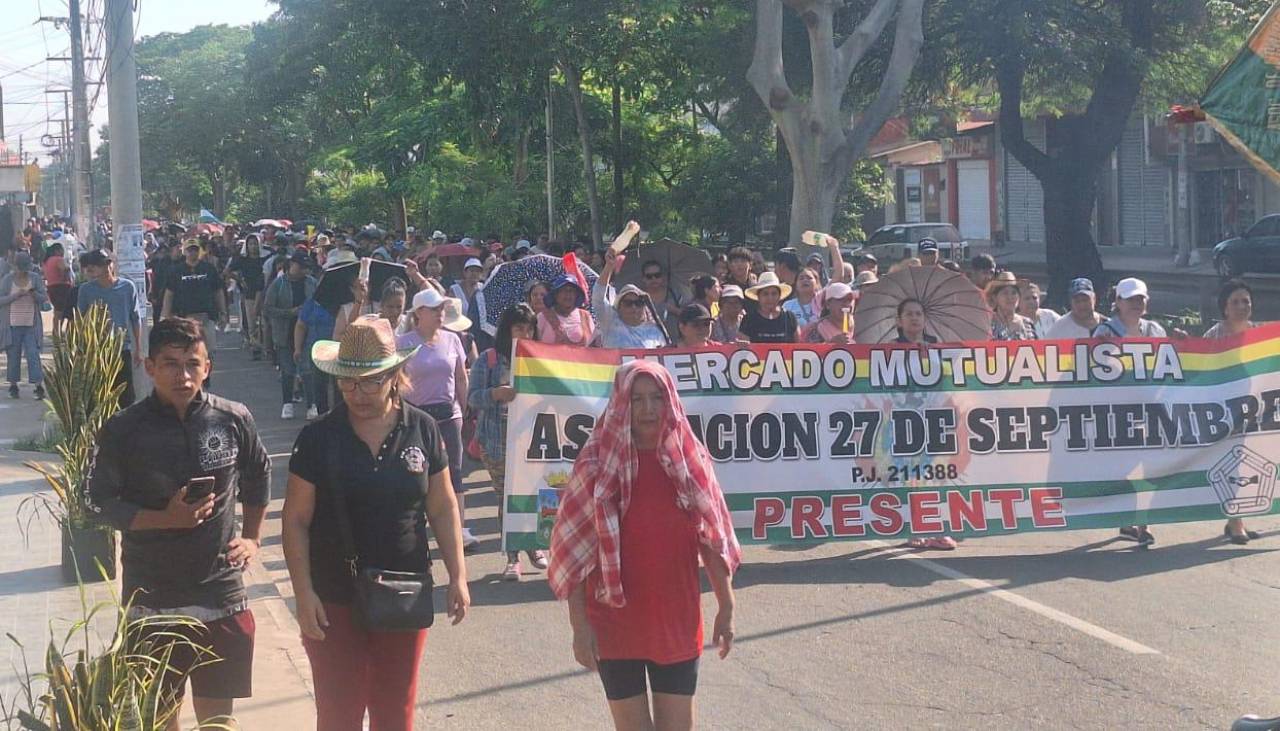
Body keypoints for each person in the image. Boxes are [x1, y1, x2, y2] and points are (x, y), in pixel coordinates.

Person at [283, 315, 469, 730]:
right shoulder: (318, 437)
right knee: (338, 713)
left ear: (394, 375)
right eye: (347, 382)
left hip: (403, 591)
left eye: (369, 381)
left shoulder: (421, 426)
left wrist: (458, 574)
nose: (358, 393)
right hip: (333, 596)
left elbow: (442, 506)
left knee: (394, 712)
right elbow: (295, 520)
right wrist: (303, 592)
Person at [87, 317, 271, 731]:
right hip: (153, 600)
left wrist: (253, 538)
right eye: (170, 364)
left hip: (221, 596)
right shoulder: (123, 430)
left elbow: (259, 476)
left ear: (208, 367)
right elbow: (95, 502)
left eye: (192, 363)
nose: (182, 375)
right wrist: (162, 519)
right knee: (159, 718)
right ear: (149, 366)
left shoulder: (233, 418)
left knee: (217, 723)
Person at [549, 360, 740, 731]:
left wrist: (727, 606)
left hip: (676, 621)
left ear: (670, 401)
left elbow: (711, 540)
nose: (649, 409)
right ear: (621, 404)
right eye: (637, 399)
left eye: (657, 398)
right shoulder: (595, 463)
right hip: (613, 623)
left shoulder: (690, 460)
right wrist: (579, 626)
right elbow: (576, 557)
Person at [469, 304, 546, 580]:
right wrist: (496, 394)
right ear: (507, 330)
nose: (524, 334)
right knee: (506, 500)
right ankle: (513, 558)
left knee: (537, 497)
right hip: (497, 444)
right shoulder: (488, 360)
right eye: (518, 329)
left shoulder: (541, 360)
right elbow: (472, 397)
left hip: (534, 443)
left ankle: (536, 548)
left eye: (529, 329)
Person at [397, 289, 478, 551]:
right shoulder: (404, 342)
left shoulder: (453, 339)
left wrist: (464, 410)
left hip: (448, 414)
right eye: (434, 310)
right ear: (418, 313)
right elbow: (396, 381)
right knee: (416, 473)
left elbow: (461, 377)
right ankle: (415, 528)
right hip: (415, 416)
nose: (440, 314)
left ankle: (459, 528)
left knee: (454, 471)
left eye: (442, 309)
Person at [1092, 277, 1165, 547]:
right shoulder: (1104, 331)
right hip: (1118, 412)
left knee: (1149, 469)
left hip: (1151, 410)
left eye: (1141, 298)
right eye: (1131, 299)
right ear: (1118, 302)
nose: (1137, 303)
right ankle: (1126, 520)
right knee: (1123, 469)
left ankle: (1142, 524)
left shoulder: (1155, 330)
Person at [1203, 280, 1262, 544]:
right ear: (1225, 308)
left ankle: (1236, 520)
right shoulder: (1214, 336)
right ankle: (1236, 522)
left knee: (1252, 464)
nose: (1242, 306)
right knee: (1234, 466)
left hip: (1259, 411)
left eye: (1246, 301)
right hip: (1225, 412)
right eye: (1235, 302)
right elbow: (1200, 373)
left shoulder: (1262, 335)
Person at [893, 299, 953, 550]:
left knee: (939, 475)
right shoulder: (889, 350)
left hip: (934, 418)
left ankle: (939, 528)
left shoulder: (936, 346)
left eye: (919, 314)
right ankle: (915, 528)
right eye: (909, 314)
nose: (915, 318)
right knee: (912, 478)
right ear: (899, 320)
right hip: (904, 419)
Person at [77, 250, 144, 409]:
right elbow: (80, 321)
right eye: (101, 265)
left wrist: (139, 348)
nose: (106, 267)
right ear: (93, 268)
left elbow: (135, 319)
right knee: (100, 397)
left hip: (122, 348)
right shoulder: (86, 290)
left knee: (126, 396)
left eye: (108, 263)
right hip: (97, 351)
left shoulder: (128, 287)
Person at [264, 253, 318, 419]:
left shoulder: (311, 282)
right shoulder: (278, 284)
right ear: (291, 265)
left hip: (307, 331)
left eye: (305, 268)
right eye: (300, 266)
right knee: (287, 370)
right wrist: (290, 312)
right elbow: (268, 308)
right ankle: (287, 403)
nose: (303, 271)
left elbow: (319, 302)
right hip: (284, 332)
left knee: (307, 369)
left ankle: (311, 405)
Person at [594, 249, 669, 349]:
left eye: (638, 303)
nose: (634, 307)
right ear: (619, 307)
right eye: (628, 303)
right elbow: (598, 296)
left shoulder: (655, 331)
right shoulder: (610, 323)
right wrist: (609, 266)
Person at [162, 241, 228, 351]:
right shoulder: (176, 271)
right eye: (189, 250)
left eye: (195, 249)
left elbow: (218, 291)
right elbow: (169, 294)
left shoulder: (208, 268)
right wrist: (166, 316)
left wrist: (223, 312)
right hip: (184, 317)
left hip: (206, 316)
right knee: (188, 350)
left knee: (208, 351)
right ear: (184, 252)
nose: (193, 252)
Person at [0, 251, 48, 399]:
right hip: (12, 325)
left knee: (33, 355)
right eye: (20, 269)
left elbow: (43, 297)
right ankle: (13, 386)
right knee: (13, 356)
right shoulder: (8, 280)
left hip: (31, 324)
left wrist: (34, 294)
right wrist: (15, 296)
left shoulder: (35, 278)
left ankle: (38, 386)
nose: (22, 272)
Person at [294, 290, 337, 421]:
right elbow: (301, 325)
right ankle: (322, 415)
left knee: (337, 386)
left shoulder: (341, 302)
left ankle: (338, 415)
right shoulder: (312, 303)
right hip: (316, 350)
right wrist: (297, 348)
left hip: (337, 350)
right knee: (319, 384)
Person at [227, 235, 267, 359]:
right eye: (250, 244)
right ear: (247, 246)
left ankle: (266, 347)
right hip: (249, 294)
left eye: (255, 243)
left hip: (265, 294)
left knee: (265, 323)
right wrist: (239, 280)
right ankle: (255, 348)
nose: (253, 246)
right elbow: (227, 271)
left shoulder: (264, 259)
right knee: (252, 322)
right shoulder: (242, 260)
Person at [740, 272, 799, 344]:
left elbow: (799, 346)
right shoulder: (748, 319)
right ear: (758, 296)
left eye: (774, 294)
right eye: (765, 294)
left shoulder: (790, 318)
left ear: (779, 296)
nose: (770, 298)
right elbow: (743, 347)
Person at [538, 274, 595, 346]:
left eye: (571, 291)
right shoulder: (543, 317)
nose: (568, 295)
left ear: (576, 295)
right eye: (563, 290)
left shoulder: (586, 317)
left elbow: (595, 346)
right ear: (555, 295)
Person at [987, 272, 1036, 341]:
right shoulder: (987, 324)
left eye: (1014, 293)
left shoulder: (1027, 324)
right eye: (1005, 293)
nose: (1010, 297)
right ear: (995, 297)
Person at [42, 242, 74, 337]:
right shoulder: (58, 259)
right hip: (62, 287)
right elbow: (66, 268)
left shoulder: (46, 262)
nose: (63, 252)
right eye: (61, 250)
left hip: (51, 287)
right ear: (56, 251)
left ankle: (56, 332)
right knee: (69, 312)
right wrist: (66, 278)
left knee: (57, 312)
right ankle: (67, 333)